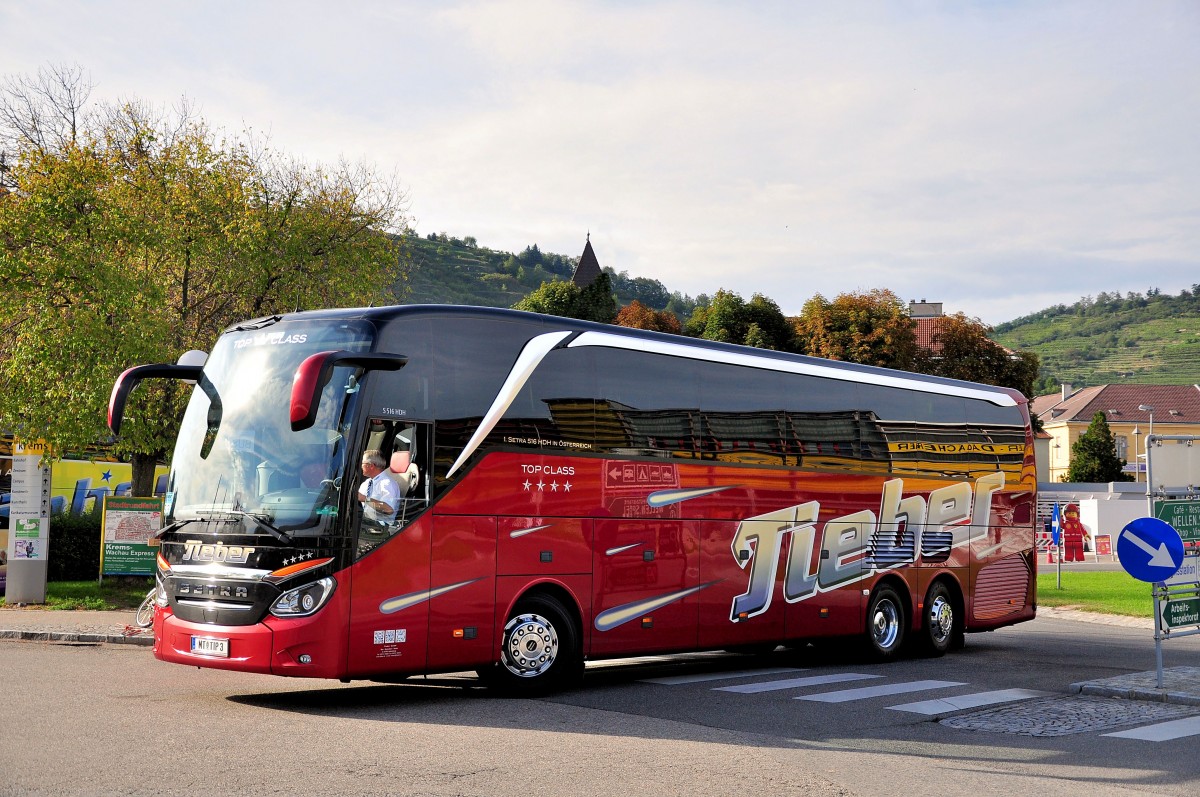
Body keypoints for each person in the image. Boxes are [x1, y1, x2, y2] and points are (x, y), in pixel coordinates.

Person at [357, 449, 399, 524]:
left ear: (371, 466)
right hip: (365, 523)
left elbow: (388, 509)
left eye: (362, 463)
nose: (361, 466)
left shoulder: (387, 483)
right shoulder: (366, 483)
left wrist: (365, 499)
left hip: (381, 527)